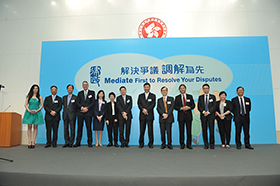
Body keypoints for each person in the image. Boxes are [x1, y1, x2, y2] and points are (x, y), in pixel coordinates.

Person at [74, 81, 95, 148]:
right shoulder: (80, 93)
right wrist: (82, 108)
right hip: (80, 113)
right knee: (79, 128)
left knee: (89, 128)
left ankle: (89, 142)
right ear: (82, 86)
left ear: (88, 85)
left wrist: (87, 108)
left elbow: (93, 102)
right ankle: (78, 142)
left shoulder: (92, 92)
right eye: (83, 85)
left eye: (86, 85)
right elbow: (77, 102)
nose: (85, 86)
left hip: (88, 113)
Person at [22, 84, 44, 149]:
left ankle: (33, 141)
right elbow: (25, 105)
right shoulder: (28, 96)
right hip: (29, 112)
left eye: (37, 88)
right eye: (34, 88)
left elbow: (42, 105)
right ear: (32, 89)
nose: (35, 90)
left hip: (36, 112)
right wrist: (29, 110)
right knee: (29, 127)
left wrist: (37, 110)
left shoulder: (40, 97)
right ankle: (29, 141)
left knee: (35, 127)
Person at [174, 84, 195, 150]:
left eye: (183, 88)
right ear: (179, 90)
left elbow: (193, 105)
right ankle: (182, 144)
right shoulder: (177, 97)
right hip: (181, 116)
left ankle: (189, 144)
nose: (182, 89)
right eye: (181, 88)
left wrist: (189, 107)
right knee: (181, 131)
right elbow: (175, 106)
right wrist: (181, 108)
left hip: (188, 116)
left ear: (185, 89)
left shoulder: (190, 96)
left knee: (189, 131)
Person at [137, 83, 156, 149]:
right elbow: (139, 104)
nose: (146, 88)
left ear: (150, 87)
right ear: (144, 88)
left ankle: (150, 143)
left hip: (150, 115)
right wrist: (143, 109)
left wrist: (146, 110)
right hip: (142, 116)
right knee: (142, 130)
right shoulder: (140, 95)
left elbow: (153, 104)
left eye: (147, 87)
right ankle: (141, 143)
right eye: (145, 87)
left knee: (150, 130)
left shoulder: (153, 95)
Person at [198, 84, 216, 149]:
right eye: (204, 88)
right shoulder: (200, 97)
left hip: (211, 116)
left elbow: (214, 106)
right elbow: (199, 106)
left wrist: (208, 112)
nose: (205, 89)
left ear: (209, 89)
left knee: (211, 130)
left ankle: (212, 144)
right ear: (203, 89)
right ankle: (206, 144)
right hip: (203, 116)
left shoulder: (213, 97)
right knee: (204, 130)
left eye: (207, 88)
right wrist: (203, 112)